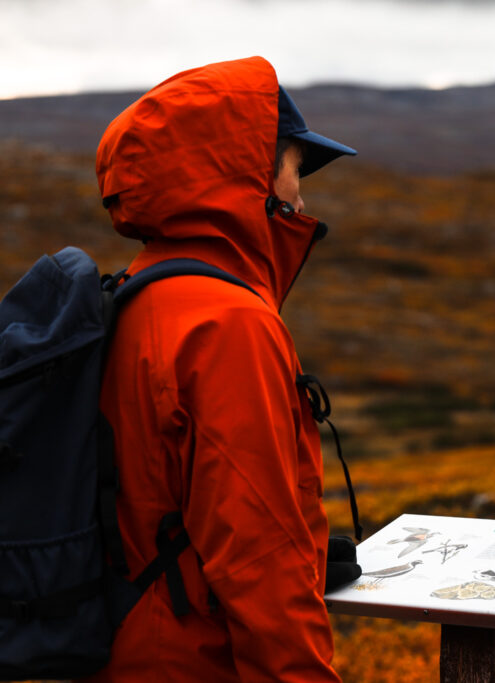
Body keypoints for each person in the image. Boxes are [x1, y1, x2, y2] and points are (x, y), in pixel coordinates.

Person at [83, 56, 356, 681]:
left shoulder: (133, 292)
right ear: (242, 173)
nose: (300, 195)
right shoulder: (227, 324)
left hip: (121, 648)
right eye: (292, 169)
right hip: (193, 662)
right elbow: (258, 555)